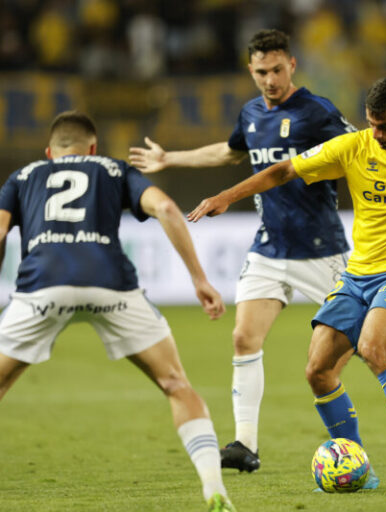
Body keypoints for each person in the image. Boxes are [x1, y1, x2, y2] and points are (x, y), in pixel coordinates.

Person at [129, 29, 386, 474]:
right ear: (250, 71)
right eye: (259, 72)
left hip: (321, 250)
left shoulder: (318, 111)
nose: (268, 80)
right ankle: (245, 445)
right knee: (243, 337)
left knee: (368, 347)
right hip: (269, 247)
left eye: (275, 70)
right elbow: (231, 152)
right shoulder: (250, 113)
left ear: (291, 65)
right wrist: (170, 158)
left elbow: (371, 149)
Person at [187, 77, 386, 482]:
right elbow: (285, 169)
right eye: (371, 124)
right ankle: (359, 465)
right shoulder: (354, 146)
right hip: (356, 274)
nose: (377, 134)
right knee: (318, 371)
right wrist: (225, 197)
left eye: (385, 126)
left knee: (375, 346)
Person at [0, 111, 236, 512]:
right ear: (93, 148)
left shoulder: (23, 177)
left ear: (49, 152)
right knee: (176, 385)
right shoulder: (113, 169)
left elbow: (1, 234)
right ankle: (215, 489)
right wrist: (199, 278)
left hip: (42, 287)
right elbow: (166, 209)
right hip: (111, 284)